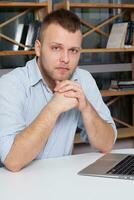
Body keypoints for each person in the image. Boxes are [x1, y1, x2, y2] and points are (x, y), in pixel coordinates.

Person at [0, 9, 117, 172]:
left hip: (62, 181)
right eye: (56, 48)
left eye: (73, 50)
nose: (66, 59)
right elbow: (12, 160)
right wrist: (54, 107)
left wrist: (86, 108)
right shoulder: (10, 84)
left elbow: (107, 143)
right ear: (38, 48)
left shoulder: (83, 79)